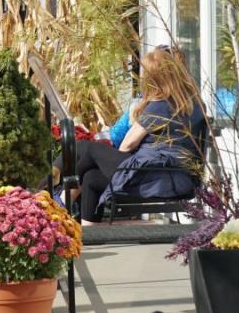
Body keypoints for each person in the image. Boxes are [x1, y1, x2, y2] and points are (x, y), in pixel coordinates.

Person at [76, 47, 205, 224]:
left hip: (154, 178)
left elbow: (127, 145)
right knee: (91, 178)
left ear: (155, 79)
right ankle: (89, 235)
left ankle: (61, 190)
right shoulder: (194, 104)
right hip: (177, 178)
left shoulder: (160, 106)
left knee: (89, 148)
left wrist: (117, 163)